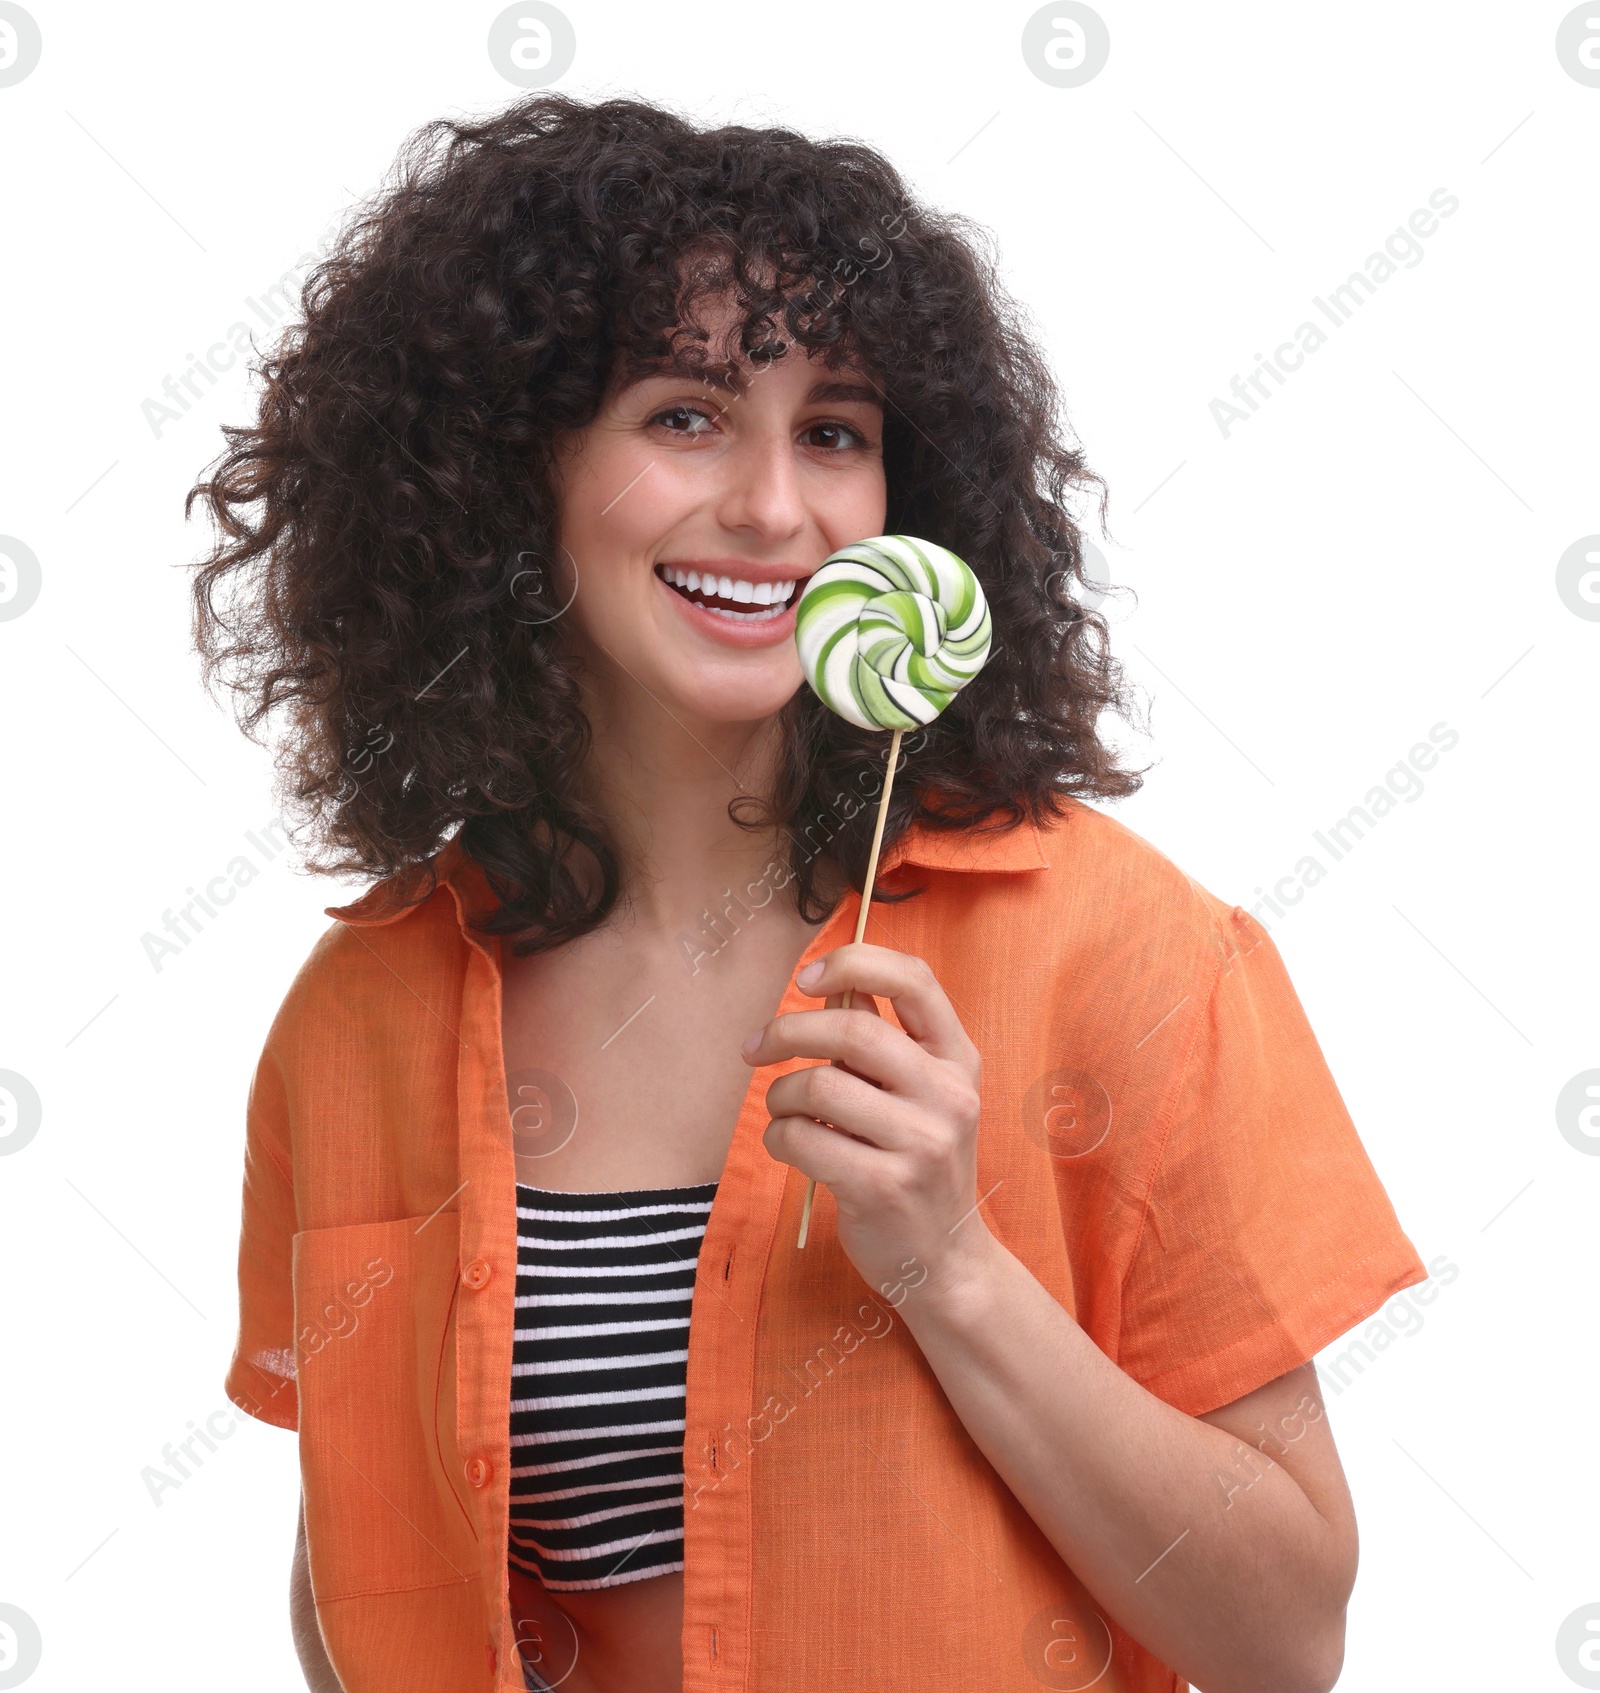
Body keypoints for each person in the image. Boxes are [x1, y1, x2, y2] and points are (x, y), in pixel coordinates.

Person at [192, 93, 1427, 1693]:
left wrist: (950, 1265)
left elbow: (1285, 1640)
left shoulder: (1122, 948)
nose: (778, 510)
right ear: (510, 474)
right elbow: (362, 1589)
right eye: (687, 415)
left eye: (835, 429)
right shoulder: (362, 1011)